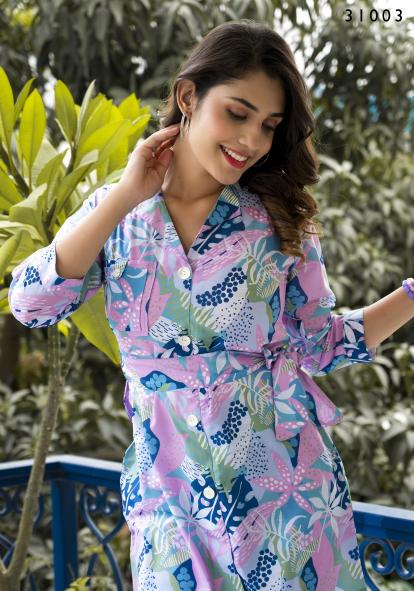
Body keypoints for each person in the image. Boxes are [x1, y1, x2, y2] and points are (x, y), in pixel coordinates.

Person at [8, 18, 414, 591]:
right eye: (237, 113)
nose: (251, 140)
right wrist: (125, 195)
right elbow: (31, 303)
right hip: (169, 506)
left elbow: (321, 345)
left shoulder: (280, 222)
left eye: (269, 125)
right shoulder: (118, 214)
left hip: (284, 500)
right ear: (188, 97)